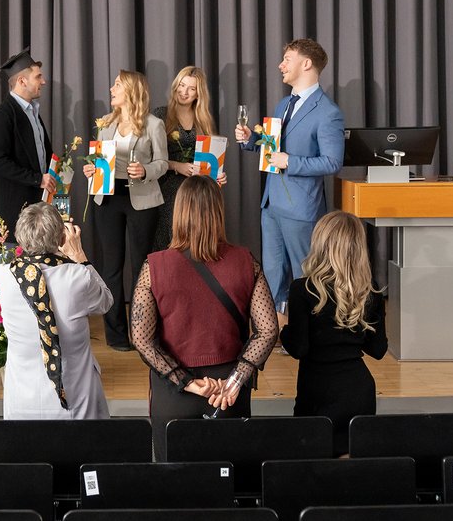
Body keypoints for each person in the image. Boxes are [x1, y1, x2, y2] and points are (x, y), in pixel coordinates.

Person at [130, 175, 277, 460]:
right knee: (231, 481)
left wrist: (185, 381)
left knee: (172, 480)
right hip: (226, 394)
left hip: (175, 394)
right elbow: (268, 330)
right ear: (218, 213)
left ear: (179, 213)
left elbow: (141, 338)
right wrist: (236, 379)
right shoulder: (246, 261)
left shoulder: (155, 266)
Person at [234, 38, 344, 330]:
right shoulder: (284, 104)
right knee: (272, 274)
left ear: (306, 64)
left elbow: (332, 162)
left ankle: (310, 332)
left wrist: (290, 161)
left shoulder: (328, 112)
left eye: (287, 59)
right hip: (271, 205)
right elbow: (272, 149)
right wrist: (250, 141)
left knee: (303, 274)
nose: (281, 65)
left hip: (301, 209)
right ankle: (279, 331)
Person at [0, 201, 113, 419]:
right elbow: (105, 301)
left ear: (19, 238)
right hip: (77, 403)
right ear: (61, 238)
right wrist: (80, 257)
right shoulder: (79, 276)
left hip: (21, 403)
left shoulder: (1, 275)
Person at [280, 211, 387, 456]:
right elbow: (378, 350)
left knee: (314, 469)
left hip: (318, 390)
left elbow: (299, 348)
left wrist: (282, 328)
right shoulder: (370, 294)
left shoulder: (302, 289)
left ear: (320, 244)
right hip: (358, 390)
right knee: (350, 474)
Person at [82, 70, 168, 351]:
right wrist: (91, 170)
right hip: (107, 200)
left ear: (132, 90)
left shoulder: (154, 125)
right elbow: (100, 163)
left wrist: (145, 170)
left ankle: (142, 332)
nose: (111, 88)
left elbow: (163, 163)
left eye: (117, 85)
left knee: (142, 267)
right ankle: (116, 335)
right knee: (112, 268)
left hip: (142, 200)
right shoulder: (105, 124)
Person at [152, 66, 226, 251]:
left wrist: (217, 174)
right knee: (170, 239)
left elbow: (210, 157)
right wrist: (177, 166)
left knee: (197, 238)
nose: (184, 92)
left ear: (198, 94)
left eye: (191, 88)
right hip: (167, 187)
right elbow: (149, 158)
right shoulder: (160, 115)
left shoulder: (204, 119)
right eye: (182, 85)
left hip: (197, 190)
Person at [0, 48, 55, 242]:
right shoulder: (2, 116)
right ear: (22, 81)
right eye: (38, 77)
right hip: (17, 209)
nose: (43, 81)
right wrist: (37, 179)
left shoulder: (33, 113)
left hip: (40, 206)